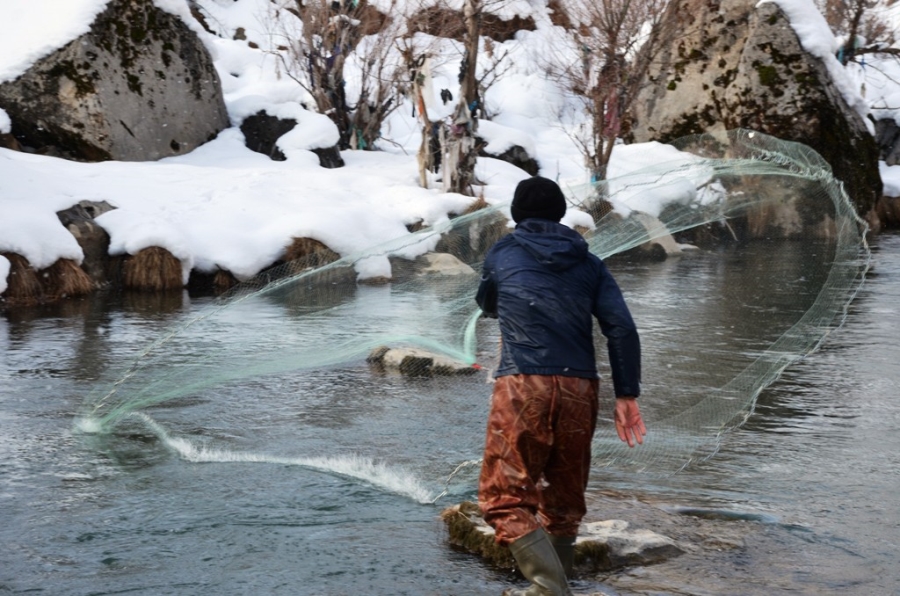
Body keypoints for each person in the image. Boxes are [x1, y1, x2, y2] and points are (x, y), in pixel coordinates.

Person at [475, 176, 646, 596]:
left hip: (522, 384)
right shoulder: (590, 262)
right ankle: (560, 583)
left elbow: (487, 302)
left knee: (503, 498)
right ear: (560, 214)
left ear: (516, 215)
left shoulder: (503, 252)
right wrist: (627, 394)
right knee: (565, 497)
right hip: (579, 388)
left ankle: (550, 588)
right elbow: (620, 328)